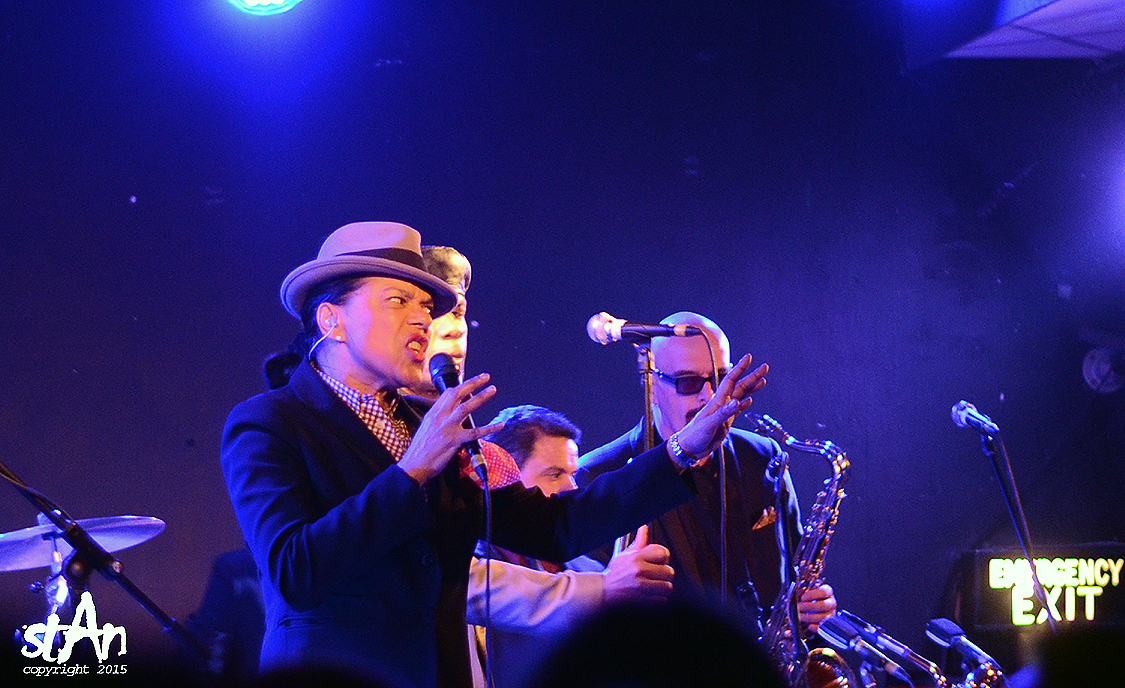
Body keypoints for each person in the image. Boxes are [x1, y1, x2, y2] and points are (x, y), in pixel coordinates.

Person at [220, 222, 769, 688]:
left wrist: (682, 448)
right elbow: (295, 569)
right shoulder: (271, 423)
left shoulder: (429, 427)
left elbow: (556, 526)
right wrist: (413, 471)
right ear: (331, 320)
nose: (422, 319)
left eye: (426, 304)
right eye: (398, 300)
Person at [577, 311, 837, 637]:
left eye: (722, 378)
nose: (710, 397)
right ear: (651, 385)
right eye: (688, 382)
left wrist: (809, 607)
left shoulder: (764, 457)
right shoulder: (598, 475)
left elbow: (794, 576)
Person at [468, 404, 677, 688]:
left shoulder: (590, 569)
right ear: (505, 479)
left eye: (572, 474)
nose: (572, 488)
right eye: (554, 474)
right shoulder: (462, 571)